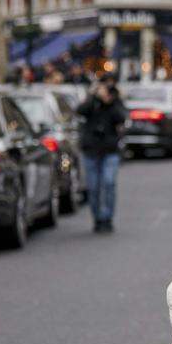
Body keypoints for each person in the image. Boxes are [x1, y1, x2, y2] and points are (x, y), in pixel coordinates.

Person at [77, 81, 126, 233]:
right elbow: (80, 111)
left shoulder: (115, 103)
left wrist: (112, 100)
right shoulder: (92, 103)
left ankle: (107, 217)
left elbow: (121, 117)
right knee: (93, 187)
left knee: (109, 182)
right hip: (91, 150)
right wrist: (93, 97)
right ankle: (97, 218)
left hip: (109, 150)